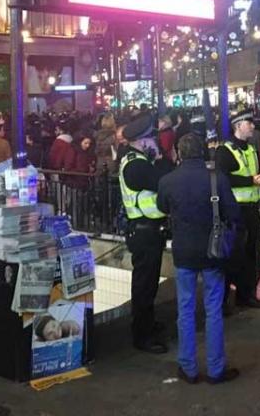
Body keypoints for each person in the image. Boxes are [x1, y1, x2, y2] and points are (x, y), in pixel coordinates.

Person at [157, 133, 241, 384]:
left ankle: (188, 367)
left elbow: (162, 207)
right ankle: (216, 369)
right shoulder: (217, 179)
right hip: (212, 251)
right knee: (213, 309)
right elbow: (233, 212)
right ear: (204, 151)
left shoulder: (168, 180)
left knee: (185, 309)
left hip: (183, 252)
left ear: (179, 153)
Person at [119, 114, 169, 353]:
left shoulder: (137, 159)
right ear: (143, 140)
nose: (155, 141)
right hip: (144, 231)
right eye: (151, 137)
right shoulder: (137, 165)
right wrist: (159, 158)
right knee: (144, 285)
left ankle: (147, 323)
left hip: (148, 230)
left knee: (148, 283)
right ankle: (142, 335)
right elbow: (163, 180)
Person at [215, 111, 260, 312]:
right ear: (238, 126)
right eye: (249, 123)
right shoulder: (225, 151)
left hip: (252, 209)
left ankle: (246, 296)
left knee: (250, 255)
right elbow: (223, 179)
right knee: (232, 257)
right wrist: (251, 180)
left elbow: (259, 171)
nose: (253, 126)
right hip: (234, 212)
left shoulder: (252, 149)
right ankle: (223, 301)